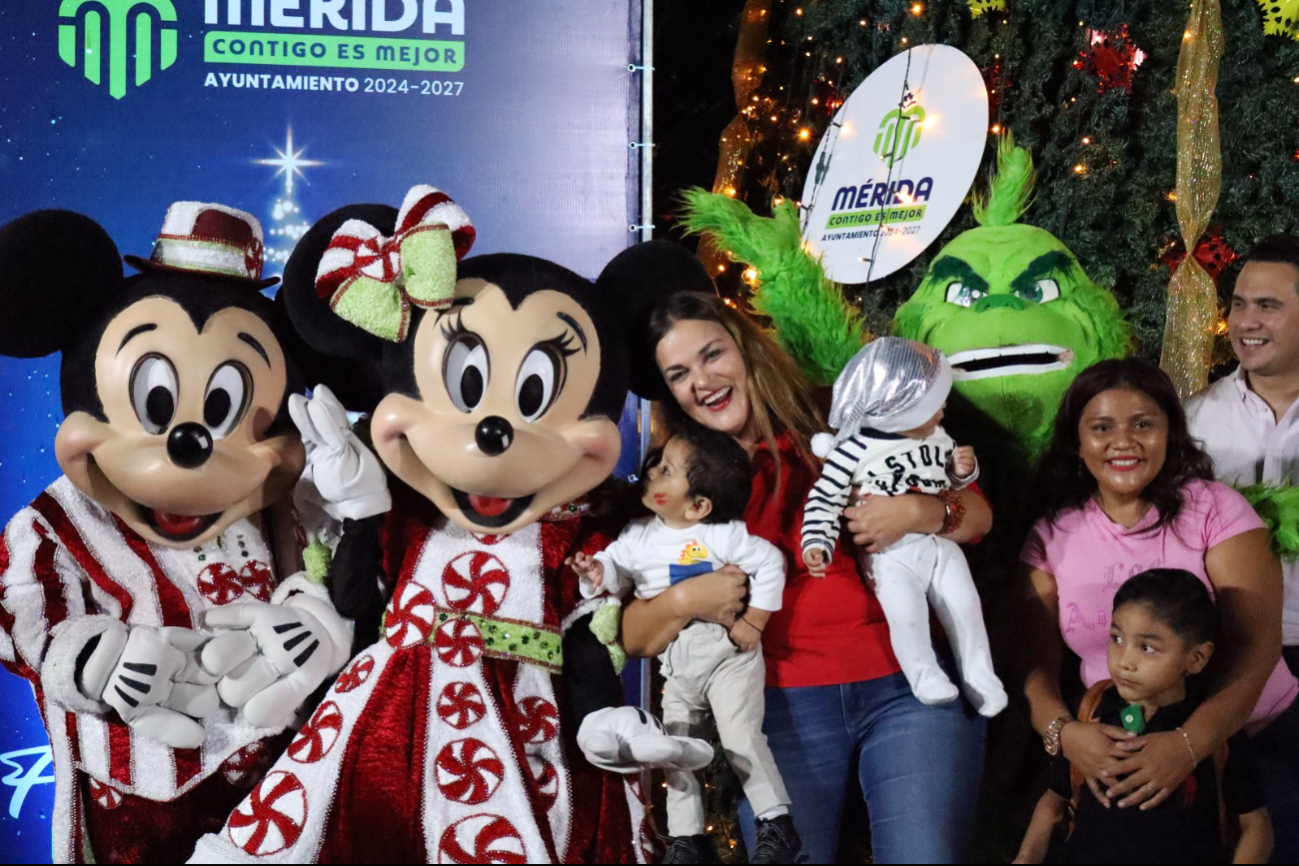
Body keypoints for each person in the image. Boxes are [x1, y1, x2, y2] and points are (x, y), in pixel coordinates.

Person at [610, 241, 994, 865]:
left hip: (907, 690)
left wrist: (918, 513)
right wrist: (686, 599)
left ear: (743, 346)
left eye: (712, 354)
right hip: (779, 711)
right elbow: (631, 632)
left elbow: (977, 515)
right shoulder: (676, 482)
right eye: (680, 375)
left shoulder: (839, 413)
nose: (703, 381)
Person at [1019, 357, 1299, 863]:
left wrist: (1191, 744)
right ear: (1078, 444)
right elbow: (1035, 665)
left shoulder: (1216, 511)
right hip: (1121, 731)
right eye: (1102, 427)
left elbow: (1257, 646)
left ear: (1171, 432)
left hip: (1249, 733)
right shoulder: (1051, 535)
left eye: (1143, 424)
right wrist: (1067, 735)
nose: (1123, 441)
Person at [572, 423, 798, 864]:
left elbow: (771, 563)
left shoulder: (721, 534)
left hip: (726, 652)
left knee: (739, 738)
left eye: (666, 470)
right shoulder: (638, 534)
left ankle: (775, 822)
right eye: (656, 464)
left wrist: (754, 619)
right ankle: (685, 840)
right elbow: (614, 569)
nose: (652, 472)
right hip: (676, 661)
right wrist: (595, 573)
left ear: (698, 506)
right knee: (676, 747)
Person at [801, 337, 1006, 716]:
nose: (943, 409)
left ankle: (980, 677)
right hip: (889, 556)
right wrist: (817, 542)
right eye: (933, 403)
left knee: (965, 604)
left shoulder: (936, 437)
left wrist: (963, 471)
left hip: (938, 544)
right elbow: (824, 499)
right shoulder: (852, 451)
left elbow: (951, 484)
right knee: (906, 613)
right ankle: (923, 674)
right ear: (901, 407)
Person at [1013, 568, 1273, 865]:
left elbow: (1255, 825)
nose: (1124, 661)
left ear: (1197, 658)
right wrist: (1026, 856)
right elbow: (1055, 798)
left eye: (1147, 648)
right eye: (1117, 638)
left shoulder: (1214, 730)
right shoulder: (1089, 711)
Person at [1186, 233, 1299, 681]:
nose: (1246, 322)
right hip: (1222, 655)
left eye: (1267, 306)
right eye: (1239, 304)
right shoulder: (1191, 422)